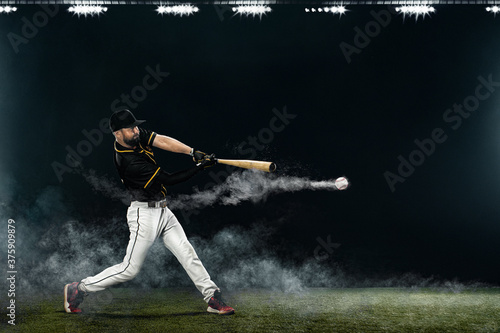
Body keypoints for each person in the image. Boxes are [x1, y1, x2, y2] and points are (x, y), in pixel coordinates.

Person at [64, 109, 234, 315]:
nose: (136, 130)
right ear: (117, 133)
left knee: (188, 253)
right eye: (130, 128)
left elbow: (161, 140)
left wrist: (191, 152)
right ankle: (79, 288)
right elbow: (169, 179)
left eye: (136, 126)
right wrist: (199, 167)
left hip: (163, 211)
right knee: (130, 270)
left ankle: (212, 297)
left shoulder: (132, 137)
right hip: (143, 215)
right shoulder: (128, 161)